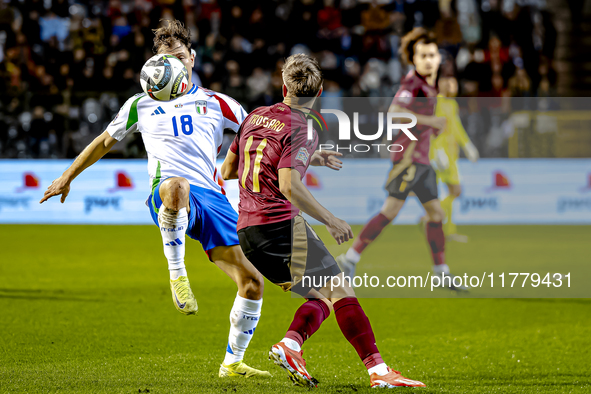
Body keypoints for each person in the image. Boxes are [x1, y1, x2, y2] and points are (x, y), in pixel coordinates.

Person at [40, 19, 270, 379]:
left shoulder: (220, 103)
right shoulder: (140, 104)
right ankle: (177, 274)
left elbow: (259, 136)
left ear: (191, 58)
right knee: (177, 185)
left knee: (253, 282)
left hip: (214, 198)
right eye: (165, 60)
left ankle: (232, 362)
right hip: (169, 191)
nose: (173, 66)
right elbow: (104, 141)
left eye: (179, 57)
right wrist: (67, 176)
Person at [221, 53, 426, 388]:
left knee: (319, 298)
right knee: (341, 289)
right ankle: (379, 371)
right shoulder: (303, 127)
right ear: (319, 93)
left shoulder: (256, 116)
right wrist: (330, 219)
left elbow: (229, 170)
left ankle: (290, 345)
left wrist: (310, 157)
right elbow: (288, 185)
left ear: (283, 84)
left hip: (248, 231)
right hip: (280, 225)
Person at [337, 28, 466, 290]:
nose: (430, 59)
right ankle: (349, 258)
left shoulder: (428, 85)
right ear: (414, 58)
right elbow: (395, 113)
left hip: (422, 160)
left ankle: (441, 272)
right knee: (390, 211)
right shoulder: (413, 84)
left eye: (433, 54)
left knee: (436, 213)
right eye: (424, 55)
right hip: (408, 159)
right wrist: (431, 121)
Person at [426, 74, 479, 242]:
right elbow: (432, 126)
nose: (453, 87)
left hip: (451, 154)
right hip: (442, 155)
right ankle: (433, 221)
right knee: (455, 191)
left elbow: (457, 128)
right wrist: (437, 149)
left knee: (450, 193)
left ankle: (446, 229)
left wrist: (467, 146)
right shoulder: (438, 103)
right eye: (449, 84)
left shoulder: (452, 104)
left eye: (454, 83)